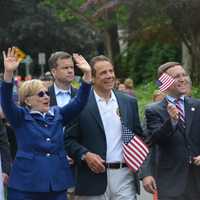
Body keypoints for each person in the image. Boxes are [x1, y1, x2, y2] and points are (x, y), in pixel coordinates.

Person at [1, 47, 92, 200]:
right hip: (26, 184)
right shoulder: (20, 117)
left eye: (47, 93)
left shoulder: (58, 114)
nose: (46, 97)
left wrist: (87, 74)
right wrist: (8, 73)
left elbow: (79, 102)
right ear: (27, 100)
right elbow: (7, 102)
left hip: (56, 183)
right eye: (40, 94)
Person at [65, 55, 144, 200]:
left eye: (111, 71)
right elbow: (68, 140)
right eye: (103, 73)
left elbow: (139, 136)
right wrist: (85, 155)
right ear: (93, 78)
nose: (109, 76)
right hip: (93, 178)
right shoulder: (79, 104)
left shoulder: (128, 102)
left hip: (124, 176)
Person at [142, 62, 200, 200]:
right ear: (164, 83)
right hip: (171, 182)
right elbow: (153, 141)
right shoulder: (154, 110)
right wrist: (172, 122)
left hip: (197, 180)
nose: (182, 79)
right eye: (176, 76)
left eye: (184, 75)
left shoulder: (197, 105)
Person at [48, 51, 78, 199]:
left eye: (72, 67)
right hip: (50, 164)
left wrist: (76, 153)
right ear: (54, 71)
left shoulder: (83, 96)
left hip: (79, 164)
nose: (70, 70)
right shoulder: (41, 96)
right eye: (65, 68)